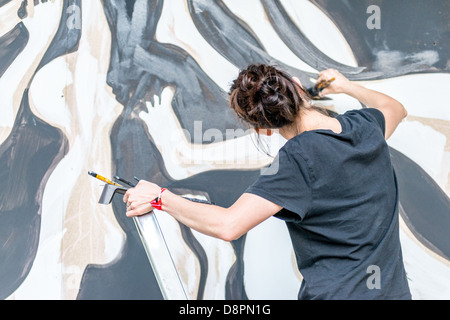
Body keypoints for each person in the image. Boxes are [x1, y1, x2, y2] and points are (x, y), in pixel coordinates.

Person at [123, 64, 411, 300]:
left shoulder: (297, 159)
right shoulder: (364, 128)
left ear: (263, 129)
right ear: (298, 87)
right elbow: (395, 108)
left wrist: (160, 197)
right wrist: (346, 85)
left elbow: (228, 225)